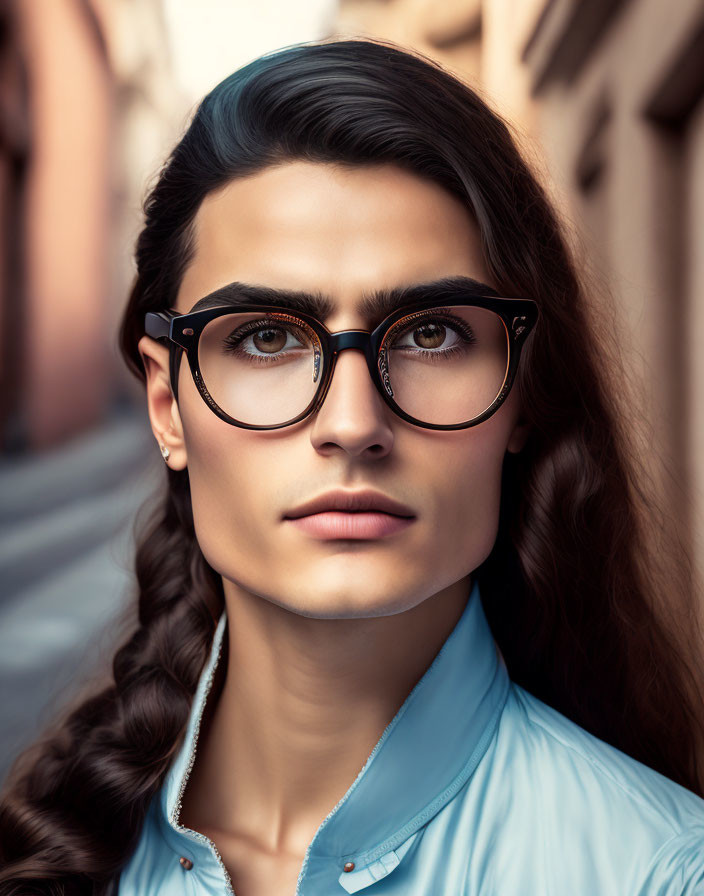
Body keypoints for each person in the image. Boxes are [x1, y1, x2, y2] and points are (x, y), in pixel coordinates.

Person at [1, 36, 704, 896]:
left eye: (430, 333)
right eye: (265, 338)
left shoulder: (661, 871)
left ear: (522, 392)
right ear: (165, 405)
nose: (351, 423)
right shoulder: (51, 852)